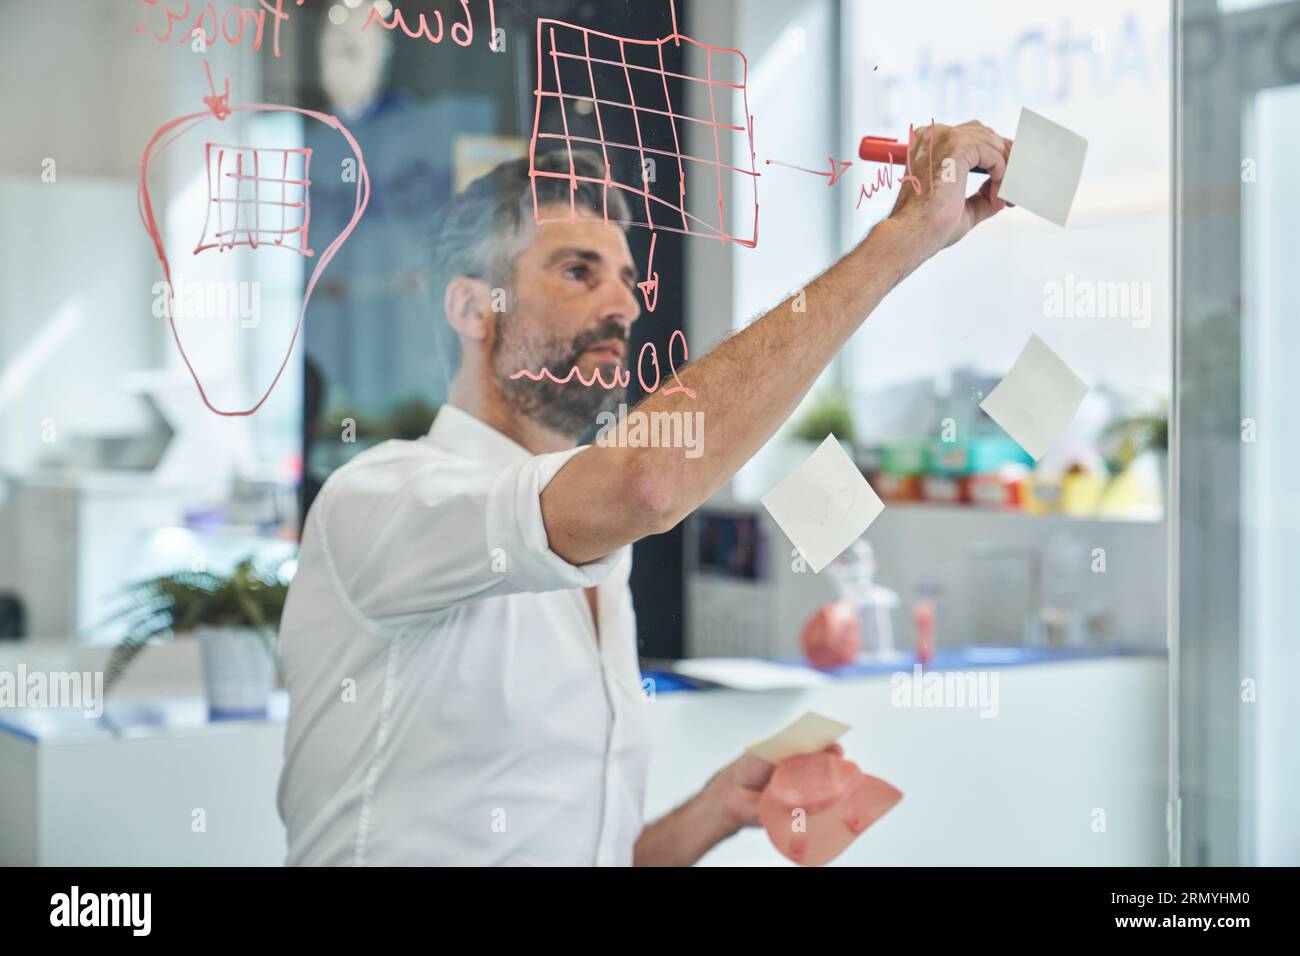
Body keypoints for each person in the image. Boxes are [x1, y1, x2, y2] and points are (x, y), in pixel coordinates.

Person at [277, 122, 1012, 865]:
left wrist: (713, 811)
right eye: (577, 270)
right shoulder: (381, 499)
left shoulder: (595, 541)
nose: (624, 306)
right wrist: (899, 241)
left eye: (627, 279)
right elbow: (649, 482)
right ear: (472, 308)